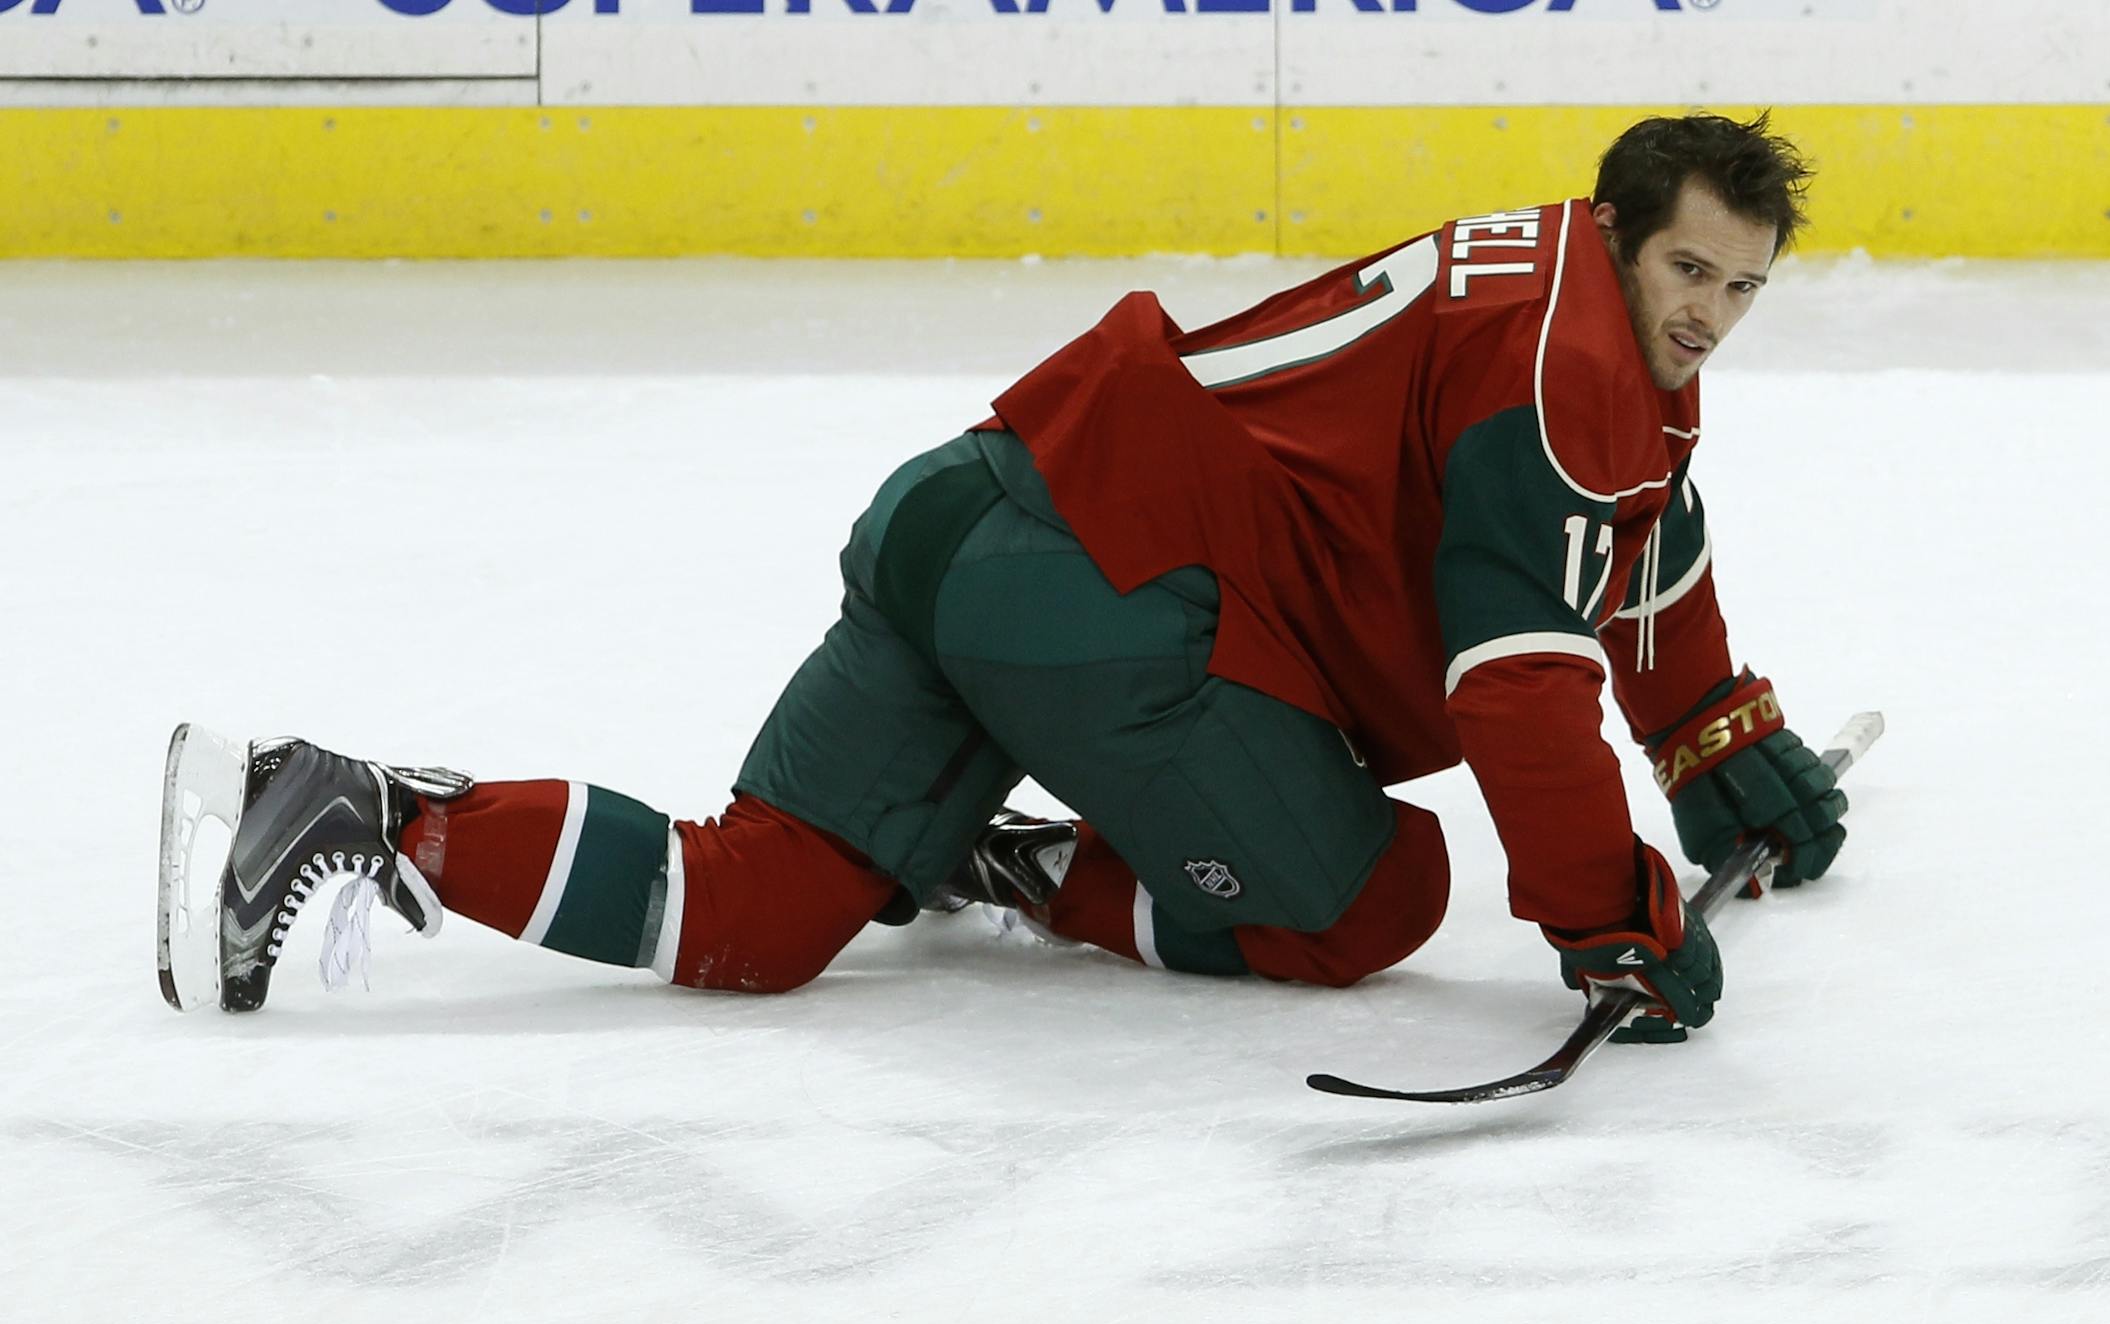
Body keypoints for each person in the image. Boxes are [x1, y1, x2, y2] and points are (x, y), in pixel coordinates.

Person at [163, 110, 1849, 1044]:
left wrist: (1708, 726)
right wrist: (1610, 914)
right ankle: (1034, 871)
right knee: (1374, 901)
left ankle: (359, 807)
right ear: (1620, 229)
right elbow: (1518, 677)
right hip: (1114, 609)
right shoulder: (1568, 364)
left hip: (975, 512)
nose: (1708, 309)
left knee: (751, 911)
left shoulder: (1562, 301)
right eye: (1689, 266)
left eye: (1745, 286)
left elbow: (1625, 532)